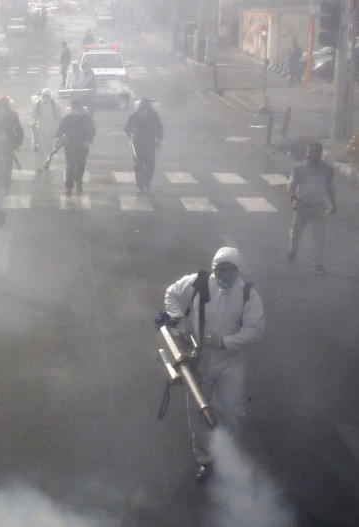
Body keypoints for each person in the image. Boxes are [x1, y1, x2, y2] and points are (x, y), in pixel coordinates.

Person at [163, 247, 265, 481]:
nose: (225, 275)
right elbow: (171, 294)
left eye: (231, 270)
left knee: (231, 412)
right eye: (221, 270)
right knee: (197, 410)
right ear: (214, 269)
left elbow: (256, 331)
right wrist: (180, 319)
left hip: (230, 362)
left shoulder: (248, 294)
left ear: (238, 272)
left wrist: (224, 341)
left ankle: (230, 458)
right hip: (198, 360)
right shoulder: (198, 283)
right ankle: (205, 460)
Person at [287, 141, 336, 274]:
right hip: (302, 205)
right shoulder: (299, 168)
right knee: (296, 232)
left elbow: (330, 189)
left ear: (319, 154)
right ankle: (293, 252)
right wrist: (293, 199)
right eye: (307, 152)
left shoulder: (327, 170)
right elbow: (291, 185)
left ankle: (317, 263)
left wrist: (333, 204)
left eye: (311, 152)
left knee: (320, 236)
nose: (308, 155)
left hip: (319, 207)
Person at [55, 97, 96, 196]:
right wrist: (60, 137)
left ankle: (78, 181)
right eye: (74, 107)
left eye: (77, 107)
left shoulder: (86, 118)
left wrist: (87, 140)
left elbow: (92, 130)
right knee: (70, 166)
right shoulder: (67, 118)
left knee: (80, 165)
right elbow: (60, 129)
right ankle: (69, 186)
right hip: (70, 145)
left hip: (82, 146)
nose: (75, 109)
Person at [124, 98, 164, 193]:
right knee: (140, 165)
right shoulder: (137, 116)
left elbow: (159, 129)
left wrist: (159, 140)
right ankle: (141, 184)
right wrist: (131, 134)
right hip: (139, 144)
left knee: (148, 165)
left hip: (147, 144)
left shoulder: (151, 116)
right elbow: (127, 128)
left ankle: (145, 182)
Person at [29, 88, 60, 167]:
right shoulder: (37, 104)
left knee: (50, 147)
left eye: (47, 96)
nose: (45, 98)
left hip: (51, 129)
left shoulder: (55, 104)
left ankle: (47, 162)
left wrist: (58, 128)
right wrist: (33, 123)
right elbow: (33, 115)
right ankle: (40, 164)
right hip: (41, 128)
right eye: (44, 96)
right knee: (40, 147)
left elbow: (59, 117)